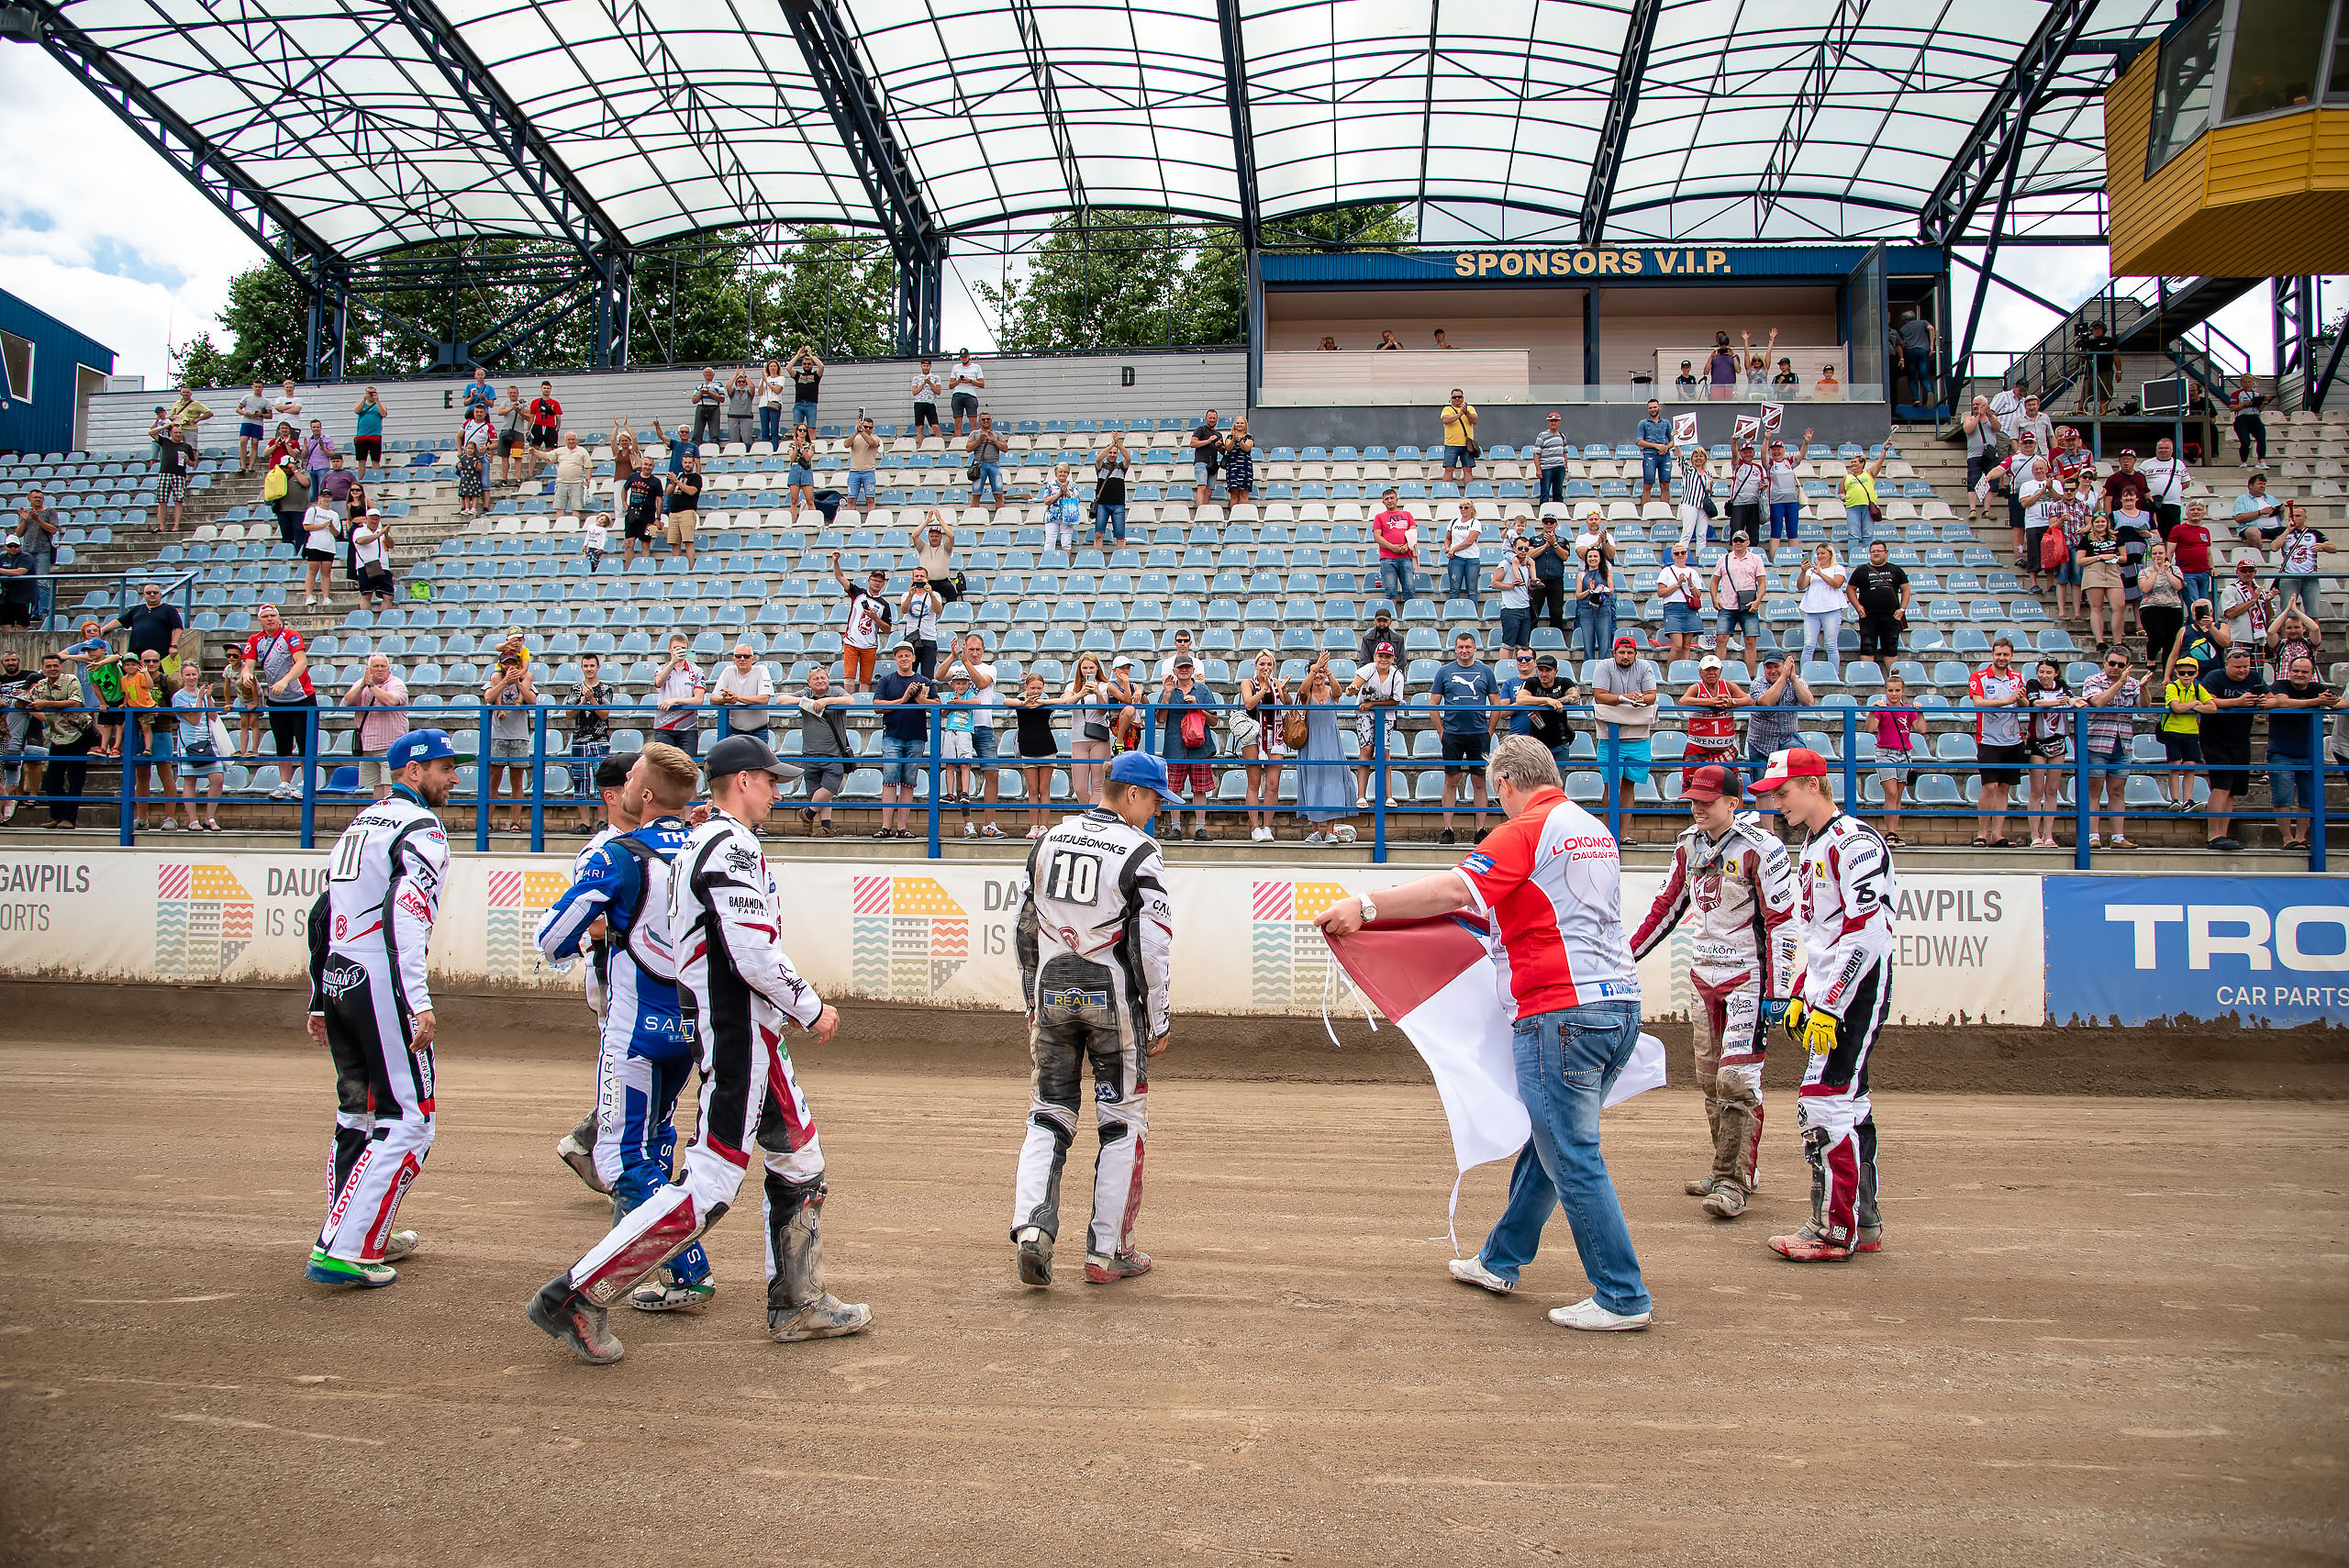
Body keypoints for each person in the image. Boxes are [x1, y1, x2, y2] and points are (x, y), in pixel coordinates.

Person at [525, 734, 868, 1363]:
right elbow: (751, 951)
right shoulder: (725, 845)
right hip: (738, 1028)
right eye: (771, 780)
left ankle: (799, 1301)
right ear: (743, 781)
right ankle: (577, 1294)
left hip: (743, 1026)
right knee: (711, 1181)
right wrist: (811, 1007)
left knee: (799, 1157)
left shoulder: (708, 841)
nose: (778, 791)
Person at [1317, 735, 1652, 1331]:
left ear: (1505, 784)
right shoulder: (1593, 828)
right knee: (1552, 1145)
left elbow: (1455, 889)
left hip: (1559, 1011)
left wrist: (1366, 906)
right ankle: (1501, 1259)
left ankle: (1622, 1294)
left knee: (1569, 1152)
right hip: (1617, 1004)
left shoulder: (1525, 830)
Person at [534, 743, 715, 1315]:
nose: (624, 782)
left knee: (618, 1159)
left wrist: (593, 937)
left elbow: (552, 938)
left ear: (646, 794)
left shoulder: (617, 854)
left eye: (632, 774)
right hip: (690, 1026)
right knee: (656, 1138)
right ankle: (658, 1265)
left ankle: (686, 1268)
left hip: (634, 1029)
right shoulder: (707, 848)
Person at [1008, 747, 1177, 1288]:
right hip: (1113, 1000)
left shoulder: (1050, 838)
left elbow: (1025, 926)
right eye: (1154, 799)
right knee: (1122, 1122)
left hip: (1052, 992)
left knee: (1048, 1113)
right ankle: (1107, 1252)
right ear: (1132, 793)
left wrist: (1031, 999)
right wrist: (1159, 1019)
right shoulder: (1141, 851)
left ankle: (1032, 1229)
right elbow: (1153, 946)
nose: (1157, 810)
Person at [302, 729, 459, 1288]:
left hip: (340, 975)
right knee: (409, 1120)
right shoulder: (421, 828)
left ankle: (354, 1228)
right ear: (414, 771)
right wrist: (417, 999)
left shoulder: (361, 823)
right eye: (444, 767)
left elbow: (323, 913)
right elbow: (406, 917)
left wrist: (319, 996)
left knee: (358, 1116)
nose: (454, 777)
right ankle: (345, 1247)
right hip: (380, 982)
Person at [1745, 745, 1894, 1262]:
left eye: (1783, 792)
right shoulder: (1813, 845)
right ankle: (1862, 1223)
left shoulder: (1855, 843)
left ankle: (1834, 1231)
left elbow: (1866, 932)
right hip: (1836, 992)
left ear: (1814, 786)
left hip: (1855, 992)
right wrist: (1802, 992)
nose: (1776, 803)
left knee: (1824, 1102)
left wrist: (1828, 1003)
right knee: (1848, 1103)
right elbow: (1824, 937)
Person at [1630, 762, 1796, 1219]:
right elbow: (1666, 907)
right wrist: (1625, 957)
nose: (1698, 808)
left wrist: (1780, 989)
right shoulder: (1688, 845)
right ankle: (1732, 1167)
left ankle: (1731, 1182)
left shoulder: (1763, 848)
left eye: (1707, 801)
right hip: (1703, 977)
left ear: (1732, 802)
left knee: (1736, 1081)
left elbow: (1782, 922)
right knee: (1709, 1080)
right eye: (1693, 800)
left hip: (1749, 979)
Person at [240, 604, 314, 801]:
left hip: (301, 696)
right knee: (282, 742)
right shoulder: (255, 640)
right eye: (265, 616)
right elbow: (248, 664)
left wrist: (285, 680)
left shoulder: (290, 635)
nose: (270, 619)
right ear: (260, 620)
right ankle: (284, 783)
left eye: (273, 615)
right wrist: (246, 674)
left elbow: (301, 662)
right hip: (277, 699)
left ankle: (306, 782)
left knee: (304, 742)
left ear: (279, 618)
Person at [2199, 644, 2268, 852]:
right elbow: (2207, 700)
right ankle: (2213, 835)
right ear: (2227, 664)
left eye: (2246, 666)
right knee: (2221, 785)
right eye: (2238, 667)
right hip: (2214, 739)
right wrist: (2237, 701)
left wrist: (2264, 702)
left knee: (2233, 790)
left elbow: (2273, 697)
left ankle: (2223, 834)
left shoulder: (2254, 678)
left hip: (2240, 740)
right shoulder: (2215, 676)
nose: (2243, 670)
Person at [2265, 654, 2338, 851]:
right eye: (2296, 670)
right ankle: (2288, 839)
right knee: (2282, 797)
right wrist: (2317, 702)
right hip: (2281, 752)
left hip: (2309, 753)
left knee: (2308, 798)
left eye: (2304, 671)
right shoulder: (2280, 685)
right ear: (2289, 672)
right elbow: (2282, 703)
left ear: (2312, 674)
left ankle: (2301, 837)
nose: (2299, 674)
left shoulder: (2317, 688)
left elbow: (2340, 703)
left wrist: (2328, 701)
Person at [1591, 633, 1658, 840]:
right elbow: (1599, 695)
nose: (1626, 656)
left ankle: (1623, 834)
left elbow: (1652, 695)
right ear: (1615, 653)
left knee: (1630, 785)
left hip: (1638, 738)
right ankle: (1608, 834)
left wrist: (1640, 698)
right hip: (1610, 738)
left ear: (1635, 653)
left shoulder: (1644, 666)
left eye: (1630, 652)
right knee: (1612, 785)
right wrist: (1625, 698)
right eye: (1622, 652)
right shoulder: (1605, 666)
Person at [1431, 631, 1496, 844]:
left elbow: (1496, 704)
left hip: (1479, 734)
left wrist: (1489, 730)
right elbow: (1433, 704)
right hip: (1452, 734)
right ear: (1455, 649)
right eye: (1461, 647)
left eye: (1468, 647)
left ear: (1475, 648)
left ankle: (1480, 830)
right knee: (1451, 780)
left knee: (1479, 780)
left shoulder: (1486, 671)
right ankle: (1448, 829)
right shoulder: (1444, 672)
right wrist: (1441, 731)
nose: (1464, 650)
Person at [2078, 652, 2143, 848]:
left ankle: (2118, 838)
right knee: (2094, 791)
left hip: (2123, 743)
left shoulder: (2133, 683)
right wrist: (2120, 684)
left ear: (2127, 665)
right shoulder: (2093, 680)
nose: (2116, 667)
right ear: (2105, 662)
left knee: (2117, 791)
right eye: (2112, 663)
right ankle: (2092, 836)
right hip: (2097, 742)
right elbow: (2098, 702)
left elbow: (2144, 706)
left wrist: (2145, 688)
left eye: (2121, 665)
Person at [872, 641, 934, 840]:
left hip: (916, 736)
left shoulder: (924, 681)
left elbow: (938, 705)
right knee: (889, 781)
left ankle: (902, 827)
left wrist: (919, 699)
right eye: (900, 656)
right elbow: (877, 706)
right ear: (895, 659)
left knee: (909, 782)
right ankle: (886, 826)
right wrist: (903, 699)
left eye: (907, 655)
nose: (904, 658)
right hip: (892, 735)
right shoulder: (886, 680)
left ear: (914, 658)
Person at [1968, 638, 2027, 847]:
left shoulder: (2017, 677)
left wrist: (2020, 698)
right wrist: (2008, 700)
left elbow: (2025, 704)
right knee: (1990, 786)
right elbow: (1978, 702)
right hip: (1988, 740)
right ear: (1992, 654)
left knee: (2004, 788)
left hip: (2013, 740)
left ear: (2012, 656)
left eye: (2006, 654)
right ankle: (1981, 833)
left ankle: (1997, 834)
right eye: (1999, 654)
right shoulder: (1979, 676)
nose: (2002, 658)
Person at [1155, 653, 1218, 840]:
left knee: (1200, 788)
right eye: (1180, 667)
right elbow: (1160, 718)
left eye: (1187, 667)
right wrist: (1167, 695)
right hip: (1175, 745)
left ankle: (1200, 828)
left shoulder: (1203, 690)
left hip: (1200, 746)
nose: (1184, 670)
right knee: (1174, 788)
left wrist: (1198, 707)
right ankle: (1175, 828)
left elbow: (1214, 720)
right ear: (1174, 671)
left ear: (1193, 670)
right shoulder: (1168, 690)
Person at [1293, 654, 1352, 842]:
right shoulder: (1307, 693)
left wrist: (1327, 670)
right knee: (1313, 784)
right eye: (1314, 671)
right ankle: (1315, 831)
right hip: (1311, 743)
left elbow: (1339, 692)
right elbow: (1302, 690)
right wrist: (1315, 668)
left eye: (1321, 672)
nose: (1318, 675)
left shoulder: (1331, 691)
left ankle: (1330, 831)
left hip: (1330, 742)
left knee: (1332, 785)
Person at [794, 666, 852, 839]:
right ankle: (826, 827)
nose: (820, 681)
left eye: (823, 677)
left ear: (828, 679)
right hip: (810, 753)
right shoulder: (806, 694)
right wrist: (809, 703)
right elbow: (781, 700)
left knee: (830, 788)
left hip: (834, 753)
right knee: (817, 792)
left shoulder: (836, 691)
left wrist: (826, 702)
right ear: (809, 682)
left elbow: (851, 701)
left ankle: (808, 813)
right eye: (816, 678)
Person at [343, 653, 411, 803]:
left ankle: (389, 813)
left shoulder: (396, 684)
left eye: (383, 666)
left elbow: (391, 701)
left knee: (390, 786)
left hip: (390, 746)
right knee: (376, 787)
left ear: (388, 668)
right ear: (368, 669)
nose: (380, 669)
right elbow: (347, 702)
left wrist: (372, 686)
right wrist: (363, 685)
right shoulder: (360, 684)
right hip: (367, 746)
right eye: (375, 666)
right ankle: (378, 813)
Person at [483, 651, 538, 833]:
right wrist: (505, 682)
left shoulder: (525, 679)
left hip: (519, 735)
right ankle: (488, 820)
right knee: (494, 779)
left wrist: (518, 684)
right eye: (507, 663)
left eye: (513, 663)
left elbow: (533, 701)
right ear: (501, 664)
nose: (510, 667)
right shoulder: (495, 678)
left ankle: (515, 822)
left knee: (517, 780)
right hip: (498, 735)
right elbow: (488, 697)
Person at [1348, 640, 1406, 811]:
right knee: (1366, 750)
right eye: (1381, 655)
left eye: (1388, 656)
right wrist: (1352, 690)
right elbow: (1353, 687)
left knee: (1384, 752)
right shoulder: (1368, 669)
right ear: (1375, 656)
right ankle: (1361, 796)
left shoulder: (1397, 675)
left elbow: (1396, 700)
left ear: (1393, 659)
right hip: (1364, 713)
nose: (1384, 659)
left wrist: (1373, 704)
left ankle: (1388, 796)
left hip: (1385, 714)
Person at [168, 659, 225, 831]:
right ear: (182, 676)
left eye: (193, 674)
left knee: (218, 778)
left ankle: (210, 817)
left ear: (198, 675)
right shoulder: (179, 696)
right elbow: (193, 719)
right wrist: (200, 698)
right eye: (187, 675)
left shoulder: (204, 694)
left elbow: (213, 716)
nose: (191, 677)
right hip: (189, 741)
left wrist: (208, 697)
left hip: (208, 740)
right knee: (190, 780)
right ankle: (193, 820)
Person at [1237, 650, 1286, 842]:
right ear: (1256, 666)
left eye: (1269, 664)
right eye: (1262, 664)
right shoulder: (1248, 683)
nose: (1266, 667)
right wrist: (1263, 690)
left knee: (1273, 784)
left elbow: (1287, 704)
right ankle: (1255, 827)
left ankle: (1267, 827)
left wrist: (1283, 691)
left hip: (1275, 734)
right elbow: (1249, 704)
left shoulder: (1277, 682)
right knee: (1254, 782)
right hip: (1253, 735)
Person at [2022, 659, 2072, 849]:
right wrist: (2058, 702)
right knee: (2037, 790)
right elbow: (2036, 703)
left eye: (2048, 672)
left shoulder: (2062, 686)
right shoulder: (2032, 684)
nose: (2044, 676)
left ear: (2056, 673)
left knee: (2052, 790)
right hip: (2037, 742)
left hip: (2058, 742)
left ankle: (2048, 835)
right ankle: (2034, 835)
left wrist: (2074, 701)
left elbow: (2071, 699)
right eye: (2041, 672)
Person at [1868, 673, 1920, 844]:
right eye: (1890, 690)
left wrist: (1919, 712)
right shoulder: (1882, 709)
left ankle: (1893, 832)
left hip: (1904, 754)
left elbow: (1921, 729)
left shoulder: (1908, 709)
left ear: (1903, 691)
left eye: (1897, 690)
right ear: (1886, 691)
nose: (1894, 694)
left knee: (1898, 795)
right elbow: (1870, 728)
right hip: (1885, 753)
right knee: (1891, 792)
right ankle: (1890, 833)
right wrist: (1872, 710)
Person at [1845, 539, 1909, 674]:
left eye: (1879, 551)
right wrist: (1857, 606)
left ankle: (1894, 679)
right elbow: (1850, 588)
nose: (1876, 553)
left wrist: (1902, 609)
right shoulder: (1861, 570)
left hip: (1891, 616)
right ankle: (1867, 677)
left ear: (1886, 552)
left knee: (1891, 648)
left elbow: (1906, 590)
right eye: (1873, 551)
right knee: (1867, 647)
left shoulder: (1896, 570)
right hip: (1868, 616)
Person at [2159, 653, 2213, 814]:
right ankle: (2175, 800)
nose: (2186, 676)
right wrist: (2195, 703)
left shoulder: (2198, 688)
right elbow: (2176, 707)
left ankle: (2188, 800)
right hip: (2172, 730)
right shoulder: (2172, 687)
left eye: (2190, 672)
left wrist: (2191, 706)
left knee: (2190, 767)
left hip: (2191, 731)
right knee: (2175, 766)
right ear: (2177, 673)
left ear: (2196, 673)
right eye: (2182, 672)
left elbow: (2212, 708)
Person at [1679, 654, 1744, 784]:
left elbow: (1749, 700)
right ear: (1700, 673)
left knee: (1734, 786)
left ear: (1720, 671)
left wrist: (1732, 702)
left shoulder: (1728, 686)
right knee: (1694, 786)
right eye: (1707, 670)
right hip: (1698, 748)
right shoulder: (1696, 688)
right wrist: (1711, 702)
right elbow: (1683, 701)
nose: (1711, 672)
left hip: (1725, 749)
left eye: (1714, 669)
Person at [1012, 671, 1061, 839]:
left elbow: (1062, 701)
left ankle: (1044, 826)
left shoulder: (1045, 703)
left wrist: (1041, 702)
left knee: (1044, 789)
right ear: (1026, 687)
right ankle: (1033, 826)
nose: (1036, 691)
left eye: (1039, 688)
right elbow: (1006, 701)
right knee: (1032, 789)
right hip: (1027, 749)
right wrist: (1025, 703)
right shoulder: (1020, 702)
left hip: (1046, 749)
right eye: (1032, 688)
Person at [1710, 532, 1765, 672]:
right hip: (1727, 605)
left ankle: (1750, 676)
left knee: (1750, 641)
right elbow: (1714, 581)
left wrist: (1758, 601)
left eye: (1741, 540)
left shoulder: (1756, 559)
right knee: (1721, 639)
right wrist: (1714, 599)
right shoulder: (1724, 559)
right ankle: (1718, 676)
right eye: (1736, 540)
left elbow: (1762, 582)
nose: (1738, 542)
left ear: (1747, 542)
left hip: (1748, 605)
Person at [2274, 503, 2339, 619]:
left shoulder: (2314, 533)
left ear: (2305, 518)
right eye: (2292, 516)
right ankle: (2286, 632)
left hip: (2310, 577)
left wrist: (2323, 546)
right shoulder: (2283, 532)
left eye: (2298, 516)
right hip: (2289, 576)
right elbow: (2274, 547)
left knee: (2313, 613)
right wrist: (2287, 531)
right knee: (2286, 613)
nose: (2294, 518)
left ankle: (2312, 632)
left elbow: (2333, 548)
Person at [1797, 543, 1848, 675]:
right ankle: (1804, 675)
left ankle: (1834, 674)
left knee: (1831, 645)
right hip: (1812, 610)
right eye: (1818, 553)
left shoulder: (1838, 568)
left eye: (1823, 553)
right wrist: (1803, 572)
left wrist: (1820, 573)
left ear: (1830, 554)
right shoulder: (1811, 570)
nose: (1819, 556)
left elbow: (1837, 584)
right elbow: (1801, 586)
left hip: (1831, 610)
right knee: (1808, 645)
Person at [651, 633, 705, 759]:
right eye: (676, 648)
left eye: (683, 648)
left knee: (688, 764)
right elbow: (658, 683)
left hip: (688, 726)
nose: (679, 651)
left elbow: (699, 700)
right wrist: (672, 663)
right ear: (669, 649)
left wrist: (675, 700)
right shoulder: (660, 668)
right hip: (664, 724)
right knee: (663, 765)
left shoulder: (696, 671)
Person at [1764, 432, 1814, 564]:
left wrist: (1806, 442)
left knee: (1792, 531)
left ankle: (1795, 559)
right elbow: (1763, 456)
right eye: (1773, 450)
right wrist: (1766, 439)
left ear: (1783, 450)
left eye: (1778, 449)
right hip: (1776, 502)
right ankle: (1774, 560)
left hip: (1792, 502)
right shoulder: (1770, 464)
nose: (1776, 452)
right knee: (1776, 530)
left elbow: (1801, 455)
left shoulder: (1789, 462)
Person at [713, 642, 775, 749]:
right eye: (738, 656)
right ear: (733, 659)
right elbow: (713, 698)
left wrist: (737, 698)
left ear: (753, 659)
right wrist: (725, 700)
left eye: (746, 656)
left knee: (758, 759)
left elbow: (764, 699)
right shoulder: (728, 671)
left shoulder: (761, 670)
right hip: (734, 730)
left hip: (758, 731)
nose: (742, 659)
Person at [1838, 447, 1888, 555]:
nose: (1852, 464)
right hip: (1852, 507)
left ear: (1862, 463)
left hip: (1868, 507)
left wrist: (1884, 450)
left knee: (1868, 534)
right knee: (1853, 534)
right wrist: (1846, 497)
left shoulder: (1869, 473)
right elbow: (1841, 493)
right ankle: (1853, 556)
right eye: (1851, 462)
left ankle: (1868, 557)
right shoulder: (1846, 477)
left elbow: (1879, 462)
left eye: (1855, 462)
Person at [2139, 437, 2191, 540]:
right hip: (2152, 505)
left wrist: (2175, 489)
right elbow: (2139, 482)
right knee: (2153, 532)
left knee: (2172, 534)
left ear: (2172, 450)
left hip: (2173, 504)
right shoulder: (2146, 464)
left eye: (2166, 448)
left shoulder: (2179, 464)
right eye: (2160, 448)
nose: (2163, 450)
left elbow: (2186, 482)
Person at [1571, 545, 1615, 665]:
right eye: (1590, 556)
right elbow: (1578, 595)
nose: (1593, 559)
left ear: (1600, 559)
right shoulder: (1582, 575)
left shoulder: (1606, 572)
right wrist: (1589, 591)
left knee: (1604, 643)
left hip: (1603, 609)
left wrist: (1600, 589)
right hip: (1586, 611)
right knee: (1588, 642)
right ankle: (1589, 668)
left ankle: (1606, 668)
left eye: (1595, 556)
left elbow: (1611, 590)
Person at [900, 568, 944, 678]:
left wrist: (931, 594)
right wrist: (910, 595)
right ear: (912, 579)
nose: (919, 578)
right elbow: (904, 610)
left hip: (929, 638)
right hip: (912, 638)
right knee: (909, 673)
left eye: (922, 576)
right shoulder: (906, 595)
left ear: (927, 578)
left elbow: (938, 610)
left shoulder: (935, 595)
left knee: (927, 675)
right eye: (917, 576)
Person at [1493, 536, 1535, 651]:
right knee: (1507, 645)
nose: (1523, 551)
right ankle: (1505, 663)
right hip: (1510, 609)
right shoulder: (1505, 563)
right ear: (1514, 548)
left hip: (1525, 608)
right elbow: (1494, 583)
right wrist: (1510, 586)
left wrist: (1532, 585)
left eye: (1526, 549)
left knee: (1522, 646)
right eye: (1520, 548)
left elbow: (1526, 587)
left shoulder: (1527, 565)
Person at [663, 451, 704, 567]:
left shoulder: (696, 477)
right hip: (674, 513)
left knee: (688, 542)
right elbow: (668, 493)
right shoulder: (680, 477)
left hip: (687, 512)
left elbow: (691, 491)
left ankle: (691, 568)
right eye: (685, 462)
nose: (687, 465)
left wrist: (677, 482)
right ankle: (677, 567)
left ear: (693, 464)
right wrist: (673, 483)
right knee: (675, 543)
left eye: (690, 462)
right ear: (682, 463)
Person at [1093, 433, 1131, 546]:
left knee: (1120, 537)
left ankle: (1120, 557)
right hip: (1102, 505)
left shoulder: (1121, 467)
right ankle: (1098, 556)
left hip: (1118, 505)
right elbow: (1098, 458)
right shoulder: (1100, 467)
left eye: (1115, 453)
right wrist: (1111, 445)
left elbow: (1128, 458)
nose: (1112, 455)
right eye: (1110, 452)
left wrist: (1118, 443)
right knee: (1099, 534)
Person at [1442, 501, 1483, 606]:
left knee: (1472, 589)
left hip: (1471, 558)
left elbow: (1469, 541)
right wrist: (1447, 548)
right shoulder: (1454, 522)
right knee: (1454, 589)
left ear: (1471, 509)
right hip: (1456, 559)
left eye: (1466, 507)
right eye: (1461, 507)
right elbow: (1447, 538)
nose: (1463, 509)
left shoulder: (1475, 523)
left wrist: (1453, 549)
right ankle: (1452, 611)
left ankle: (1473, 611)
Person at [1632, 400, 1670, 505]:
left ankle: (1665, 510)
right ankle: (1646, 510)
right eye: (1650, 408)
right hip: (1650, 455)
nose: (1653, 410)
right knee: (1648, 485)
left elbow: (1673, 440)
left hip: (1665, 456)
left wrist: (1665, 448)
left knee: (1665, 485)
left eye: (1655, 407)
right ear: (1648, 409)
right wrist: (1656, 446)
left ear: (1659, 407)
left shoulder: (1666, 423)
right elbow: (1639, 441)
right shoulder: (1643, 423)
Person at [967, 412, 1007, 510]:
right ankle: (974, 516)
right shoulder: (975, 434)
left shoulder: (997, 434)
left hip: (994, 465)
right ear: (979, 421)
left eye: (988, 419)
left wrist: (994, 440)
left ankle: (1000, 517)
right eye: (983, 419)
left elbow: (1005, 449)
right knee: (976, 495)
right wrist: (979, 440)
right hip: (980, 466)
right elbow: (968, 448)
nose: (986, 421)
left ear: (991, 420)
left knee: (998, 495)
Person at [845, 415, 883, 518]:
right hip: (854, 472)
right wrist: (855, 432)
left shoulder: (875, 438)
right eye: (865, 427)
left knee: (870, 499)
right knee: (851, 499)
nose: (868, 429)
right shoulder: (856, 438)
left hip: (868, 472)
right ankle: (850, 520)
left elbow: (871, 443)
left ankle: (871, 520)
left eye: (870, 427)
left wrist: (861, 430)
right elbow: (846, 444)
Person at [1439, 389, 1478, 483]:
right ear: (1451, 399)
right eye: (1454, 397)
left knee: (1468, 469)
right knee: (1449, 469)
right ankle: (1446, 490)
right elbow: (1445, 419)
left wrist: (1466, 412)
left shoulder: (1470, 409)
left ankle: (1469, 490)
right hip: (1451, 444)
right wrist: (1460, 414)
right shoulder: (1447, 409)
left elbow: (1475, 420)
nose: (1457, 399)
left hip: (1467, 446)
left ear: (1463, 398)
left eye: (1459, 397)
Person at [2231, 374, 2269, 464]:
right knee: (2245, 441)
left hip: (2255, 417)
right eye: (2245, 382)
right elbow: (2232, 408)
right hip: (2242, 418)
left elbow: (2259, 409)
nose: (2247, 384)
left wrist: (2265, 402)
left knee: (2261, 438)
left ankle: (2262, 460)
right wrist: (2244, 404)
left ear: (2252, 383)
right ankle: (2244, 460)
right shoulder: (2237, 394)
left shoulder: (2257, 394)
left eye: (2249, 382)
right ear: (2241, 383)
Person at [1189, 408, 1223, 506]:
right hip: (1201, 462)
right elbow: (1193, 443)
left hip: (1213, 465)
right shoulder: (1201, 429)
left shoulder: (1218, 434)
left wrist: (1219, 446)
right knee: (1202, 487)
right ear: (1206, 419)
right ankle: (1200, 510)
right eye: (1210, 418)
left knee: (1209, 491)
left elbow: (1222, 452)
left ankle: (1205, 509)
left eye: (1214, 418)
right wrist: (1208, 441)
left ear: (1217, 419)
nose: (1212, 420)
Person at [1535, 411, 1570, 505]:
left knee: (1558, 493)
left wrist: (1566, 468)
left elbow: (1564, 453)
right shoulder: (1542, 435)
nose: (1553, 423)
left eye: (1556, 421)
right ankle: (1544, 511)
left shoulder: (1562, 436)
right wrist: (1538, 469)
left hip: (1560, 468)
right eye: (1551, 421)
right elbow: (1536, 453)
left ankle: (1558, 511)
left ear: (1559, 422)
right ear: (1548, 422)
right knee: (1545, 493)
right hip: (1547, 468)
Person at [1221, 417, 1257, 506]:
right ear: (1234, 424)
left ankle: (1243, 513)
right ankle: (1233, 513)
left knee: (1244, 493)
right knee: (1234, 494)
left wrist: (1239, 440)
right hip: (1232, 467)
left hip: (1245, 467)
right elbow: (1228, 448)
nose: (1240, 425)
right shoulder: (1229, 437)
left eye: (1242, 423)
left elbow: (1246, 448)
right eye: (1238, 423)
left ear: (1245, 425)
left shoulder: (1249, 437)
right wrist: (1234, 440)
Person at [948, 350, 985, 436]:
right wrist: (958, 381)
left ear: (969, 356)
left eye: (965, 357)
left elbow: (982, 384)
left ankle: (975, 440)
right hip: (957, 394)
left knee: (973, 421)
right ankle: (958, 440)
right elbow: (950, 385)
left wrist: (970, 381)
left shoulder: (976, 367)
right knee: (957, 421)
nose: (964, 359)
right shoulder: (956, 367)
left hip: (970, 395)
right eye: (962, 357)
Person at [909, 358, 944, 447]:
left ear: (930, 366)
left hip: (930, 403)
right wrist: (923, 383)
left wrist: (930, 383)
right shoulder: (916, 378)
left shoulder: (936, 377)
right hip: (919, 403)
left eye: (927, 366)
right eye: (924, 366)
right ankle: (921, 447)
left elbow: (938, 391)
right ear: (921, 366)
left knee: (935, 425)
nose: (926, 368)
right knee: (920, 426)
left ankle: (940, 445)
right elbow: (914, 392)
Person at [686, 367, 723, 447]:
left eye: (710, 372)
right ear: (703, 374)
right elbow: (694, 400)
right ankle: (695, 447)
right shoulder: (699, 386)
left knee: (714, 432)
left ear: (713, 375)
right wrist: (701, 393)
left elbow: (722, 399)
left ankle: (715, 446)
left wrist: (709, 393)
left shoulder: (719, 385)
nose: (708, 374)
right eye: (706, 372)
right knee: (697, 431)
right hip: (701, 407)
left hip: (714, 408)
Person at [759, 358, 789, 446]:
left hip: (774, 404)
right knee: (764, 429)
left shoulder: (781, 378)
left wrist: (767, 382)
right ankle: (765, 447)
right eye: (771, 366)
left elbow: (777, 390)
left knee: (774, 430)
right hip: (763, 405)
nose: (772, 368)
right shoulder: (764, 379)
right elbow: (760, 392)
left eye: (774, 366)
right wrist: (763, 381)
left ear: (778, 368)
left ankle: (775, 447)